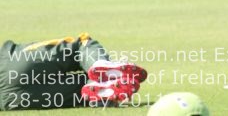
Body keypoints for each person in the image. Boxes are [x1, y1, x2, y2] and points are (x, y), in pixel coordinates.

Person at [0, 33, 147, 110]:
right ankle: (100, 65)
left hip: (11, 99)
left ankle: (104, 90)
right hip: (11, 63)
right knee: (82, 45)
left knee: (84, 91)